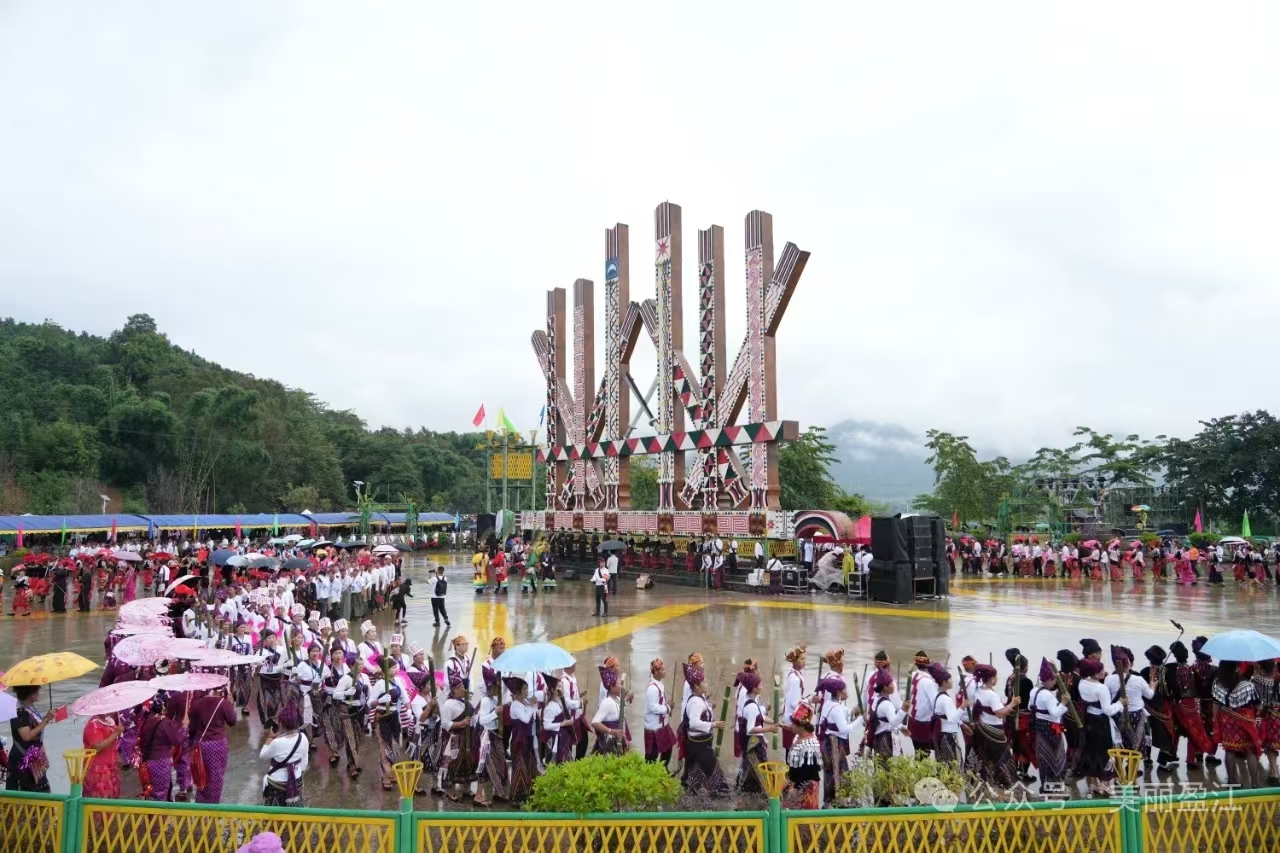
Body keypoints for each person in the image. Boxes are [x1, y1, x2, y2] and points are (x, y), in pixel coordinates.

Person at [1077, 659, 1126, 796]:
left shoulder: (1082, 683)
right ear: (1095, 674)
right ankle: (1105, 785)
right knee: (1105, 753)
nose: (1104, 672)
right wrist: (1120, 704)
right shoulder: (1101, 688)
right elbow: (1108, 710)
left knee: (1092, 751)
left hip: (1089, 720)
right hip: (1101, 722)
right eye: (1101, 671)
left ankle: (1093, 784)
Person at [966, 663, 1020, 789]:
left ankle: (985, 780)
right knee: (1002, 757)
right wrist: (1012, 704)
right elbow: (1000, 713)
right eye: (995, 676)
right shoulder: (992, 695)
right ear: (991, 678)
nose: (997, 679)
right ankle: (1005, 783)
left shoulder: (979, 690)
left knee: (986, 756)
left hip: (982, 727)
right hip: (993, 730)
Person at [680, 665, 730, 797]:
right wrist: (714, 724)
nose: (706, 684)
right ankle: (719, 798)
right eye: (704, 682)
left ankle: (693, 797)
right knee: (716, 776)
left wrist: (708, 707)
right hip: (700, 747)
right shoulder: (696, 702)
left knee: (695, 775)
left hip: (700, 745)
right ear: (696, 685)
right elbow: (694, 723)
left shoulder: (699, 698)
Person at [1213, 659, 1264, 789]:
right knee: (1250, 751)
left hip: (1227, 722)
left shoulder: (1218, 684)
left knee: (1230, 750)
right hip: (1246, 721)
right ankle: (1255, 783)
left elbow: (1216, 706)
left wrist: (1215, 720)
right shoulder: (1247, 685)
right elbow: (1258, 706)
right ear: (1237, 667)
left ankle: (1232, 781)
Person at [188, 688, 238, 804]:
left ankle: (201, 804)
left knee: (201, 775)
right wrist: (230, 704)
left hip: (200, 744)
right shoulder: (223, 703)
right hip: (217, 744)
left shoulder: (197, 704)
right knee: (216, 776)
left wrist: (191, 745)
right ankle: (213, 806)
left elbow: (192, 728)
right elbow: (232, 721)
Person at [735, 671, 779, 793]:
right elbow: (750, 729)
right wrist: (769, 729)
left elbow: (761, 717)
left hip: (753, 743)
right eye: (760, 685)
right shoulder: (752, 706)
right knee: (762, 773)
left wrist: (777, 723)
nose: (762, 687)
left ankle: (748, 796)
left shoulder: (751, 702)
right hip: (754, 744)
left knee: (752, 772)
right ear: (754, 689)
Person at [1030, 658, 1069, 794]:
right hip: (1051, 728)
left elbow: (1031, 707)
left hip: (1039, 726)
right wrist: (1064, 703)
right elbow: (1055, 713)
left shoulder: (1034, 691)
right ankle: (1056, 789)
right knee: (1056, 757)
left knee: (1044, 757)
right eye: (1054, 680)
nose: (1055, 683)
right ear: (1050, 680)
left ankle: (1046, 785)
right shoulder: (1048, 696)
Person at [139, 697, 189, 801]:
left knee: (151, 791)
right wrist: (184, 728)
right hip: (161, 762)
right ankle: (161, 816)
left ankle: (151, 815)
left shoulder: (146, 722)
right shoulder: (166, 723)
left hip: (147, 762)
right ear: (164, 709)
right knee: (161, 793)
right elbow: (178, 740)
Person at [816, 675, 856, 802]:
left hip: (826, 741)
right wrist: (860, 720)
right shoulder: (837, 709)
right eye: (845, 690)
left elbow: (845, 712)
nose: (847, 693)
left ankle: (828, 801)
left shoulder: (828, 704)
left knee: (829, 772)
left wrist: (854, 712)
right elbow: (844, 729)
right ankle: (840, 801)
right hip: (834, 743)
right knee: (840, 772)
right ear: (839, 692)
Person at [260, 703, 308, 807]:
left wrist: (270, 737)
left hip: (277, 783)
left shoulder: (277, 742)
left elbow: (263, 755)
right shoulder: (303, 738)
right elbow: (304, 763)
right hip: (296, 780)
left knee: (274, 816)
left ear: (281, 724)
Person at [7, 685, 52, 792]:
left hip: (35, 756)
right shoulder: (20, 712)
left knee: (40, 787)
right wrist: (46, 721)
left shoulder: (30, 709)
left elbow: (37, 734)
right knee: (26, 790)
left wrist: (46, 718)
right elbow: (26, 736)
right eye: (38, 691)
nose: (39, 693)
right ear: (31, 695)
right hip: (24, 759)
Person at [505, 675, 539, 803]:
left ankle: (529, 793)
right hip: (519, 741)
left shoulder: (524, 702)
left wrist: (534, 706)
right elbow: (525, 719)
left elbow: (532, 716)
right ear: (518, 691)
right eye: (524, 688)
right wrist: (531, 706)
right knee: (520, 768)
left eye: (527, 688)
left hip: (528, 739)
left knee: (530, 765)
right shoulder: (515, 705)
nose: (527, 691)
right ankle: (516, 797)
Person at [783, 703, 821, 810]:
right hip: (794, 782)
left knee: (803, 822)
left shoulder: (810, 746)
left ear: (801, 725)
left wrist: (795, 788)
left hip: (805, 788)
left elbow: (808, 773)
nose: (791, 726)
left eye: (793, 724)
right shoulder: (798, 736)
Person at [643, 659, 677, 769]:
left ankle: (662, 770)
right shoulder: (652, 688)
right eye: (663, 669)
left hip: (662, 724)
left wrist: (667, 709)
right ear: (656, 672)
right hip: (654, 726)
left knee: (667, 749)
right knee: (651, 756)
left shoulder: (659, 684)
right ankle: (648, 775)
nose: (665, 671)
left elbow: (659, 703)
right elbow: (653, 707)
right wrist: (667, 708)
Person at [930, 664, 966, 769]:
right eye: (950, 679)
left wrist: (963, 724)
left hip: (941, 734)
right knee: (953, 763)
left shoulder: (938, 695)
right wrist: (963, 706)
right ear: (944, 682)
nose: (952, 681)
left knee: (943, 763)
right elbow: (953, 719)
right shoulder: (946, 699)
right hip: (948, 735)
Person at [82, 712, 124, 799]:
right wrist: (116, 733)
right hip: (98, 769)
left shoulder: (107, 720)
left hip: (111, 766)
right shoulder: (93, 724)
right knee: (101, 798)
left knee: (113, 796)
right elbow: (97, 747)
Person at [866, 668, 903, 760]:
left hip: (878, 739)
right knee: (889, 770)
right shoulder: (887, 704)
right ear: (885, 687)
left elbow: (884, 722)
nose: (893, 686)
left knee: (880, 768)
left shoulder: (876, 700)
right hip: (886, 739)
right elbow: (893, 722)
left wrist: (901, 727)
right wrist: (904, 710)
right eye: (891, 684)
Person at [592, 667, 628, 756]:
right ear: (611, 686)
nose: (621, 687)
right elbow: (595, 722)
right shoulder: (607, 702)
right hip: (609, 741)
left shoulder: (617, 698)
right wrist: (611, 731)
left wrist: (624, 737)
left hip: (618, 738)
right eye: (619, 684)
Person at [782, 645, 807, 754]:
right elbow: (794, 703)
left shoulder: (793, 674)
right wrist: (808, 702)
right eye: (801, 659)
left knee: (791, 750)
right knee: (793, 751)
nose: (804, 661)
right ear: (794, 661)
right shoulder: (795, 679)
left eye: (805, 659)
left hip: (790, 718)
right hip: (792, 720)